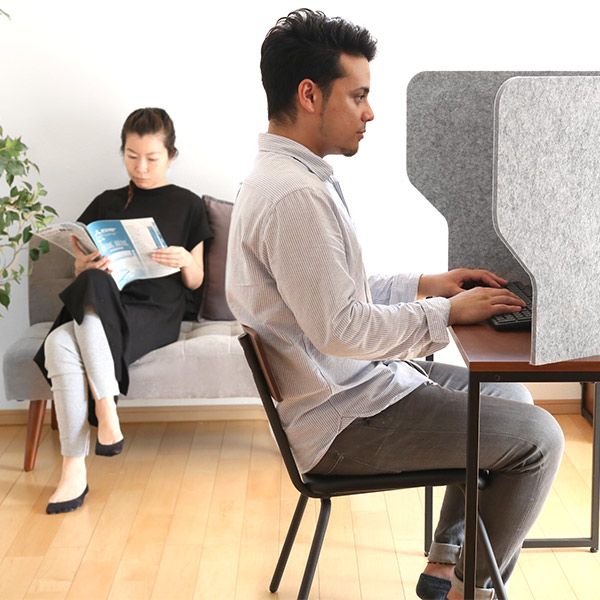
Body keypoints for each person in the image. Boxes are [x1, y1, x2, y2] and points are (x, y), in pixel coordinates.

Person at [225, 9, 564, 600]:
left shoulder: (289, 177)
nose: (370, 112)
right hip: (345, 420)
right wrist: (447, 315)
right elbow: (341, 328)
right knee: (540, 441)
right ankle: (470, 591)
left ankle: (444, 567)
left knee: (507, 394)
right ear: (310, 95)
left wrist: (429, 284)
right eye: (358, 95)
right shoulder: (294, 195)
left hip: (354, 388)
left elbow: (337, 295)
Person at [35, 107, 212, 515]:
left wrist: (186, 259)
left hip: (157, 310)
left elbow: (196, 281)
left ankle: (93, 428)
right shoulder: (107, 201)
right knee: (82, 302)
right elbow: (80, 259)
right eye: (132, 156)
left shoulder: (188, 204)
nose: (141, 167)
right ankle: (87, 445)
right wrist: (83, 265)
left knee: (61, 339)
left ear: (171, 155)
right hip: (107, 301)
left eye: (151, 158)